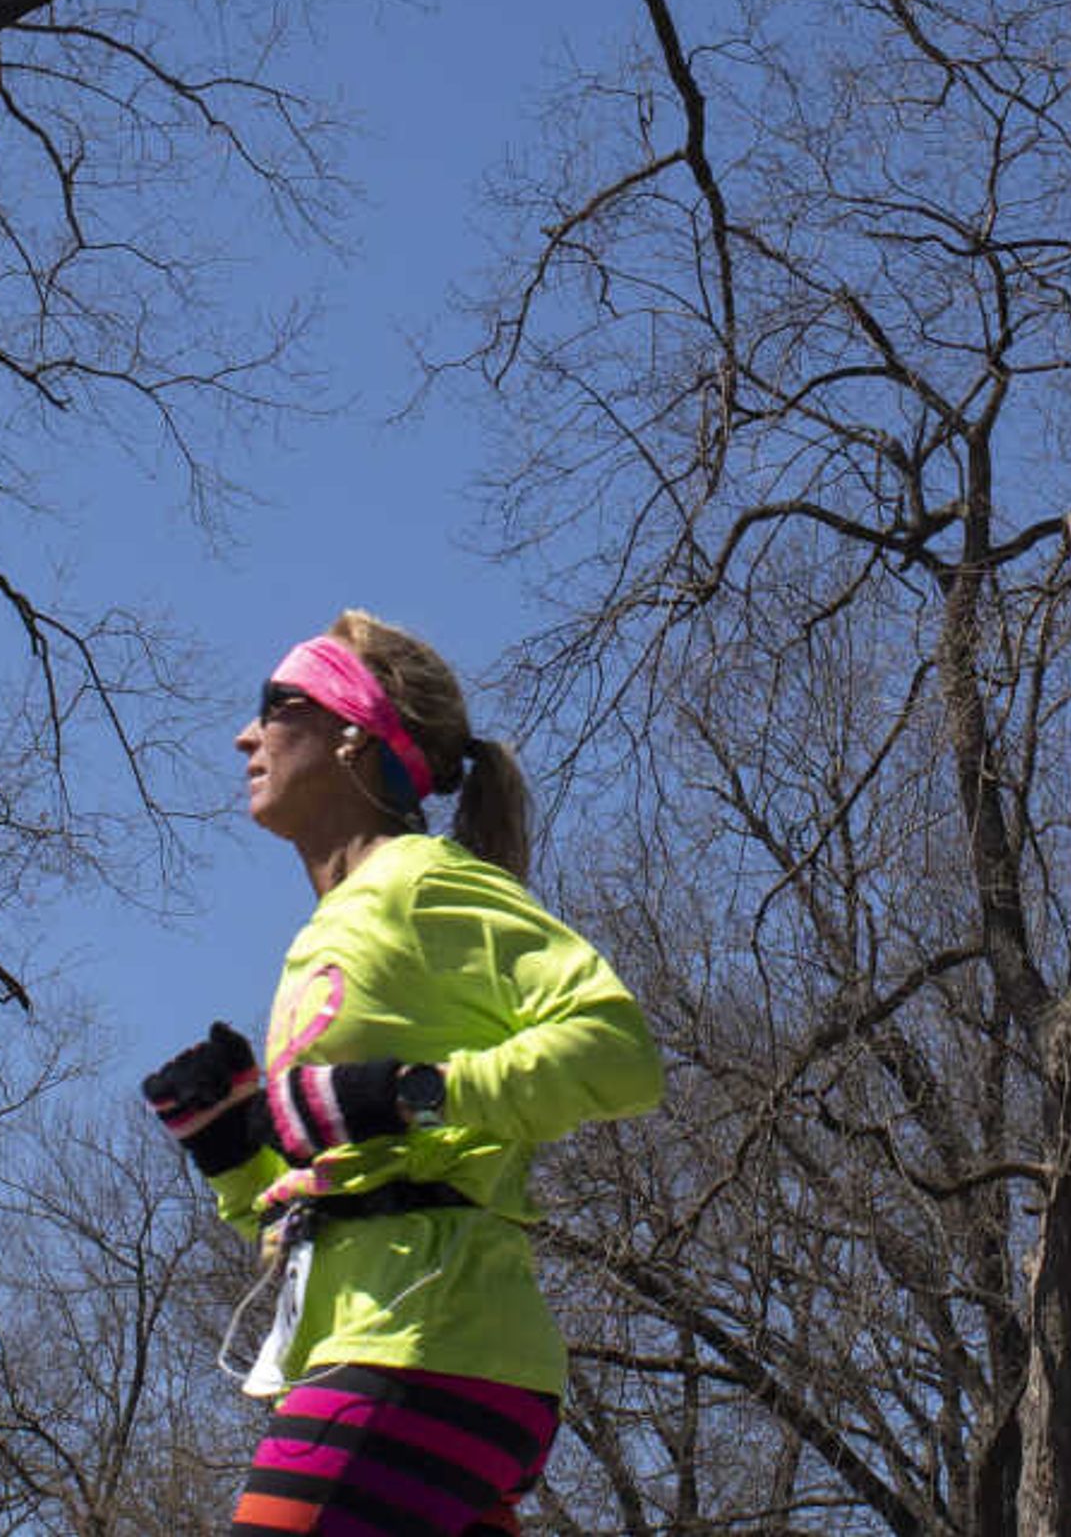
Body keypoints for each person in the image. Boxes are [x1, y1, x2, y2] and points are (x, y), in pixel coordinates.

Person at [140, 611, 661, 1537]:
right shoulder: (331, 929)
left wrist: (412, 1091)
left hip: (429, 1353)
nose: (245, 733)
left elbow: (620, 1051)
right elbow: (338, 1191)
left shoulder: (422, 880)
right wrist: (232, 1158)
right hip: (384, 1350)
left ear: (353, 734)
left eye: (277, 706)